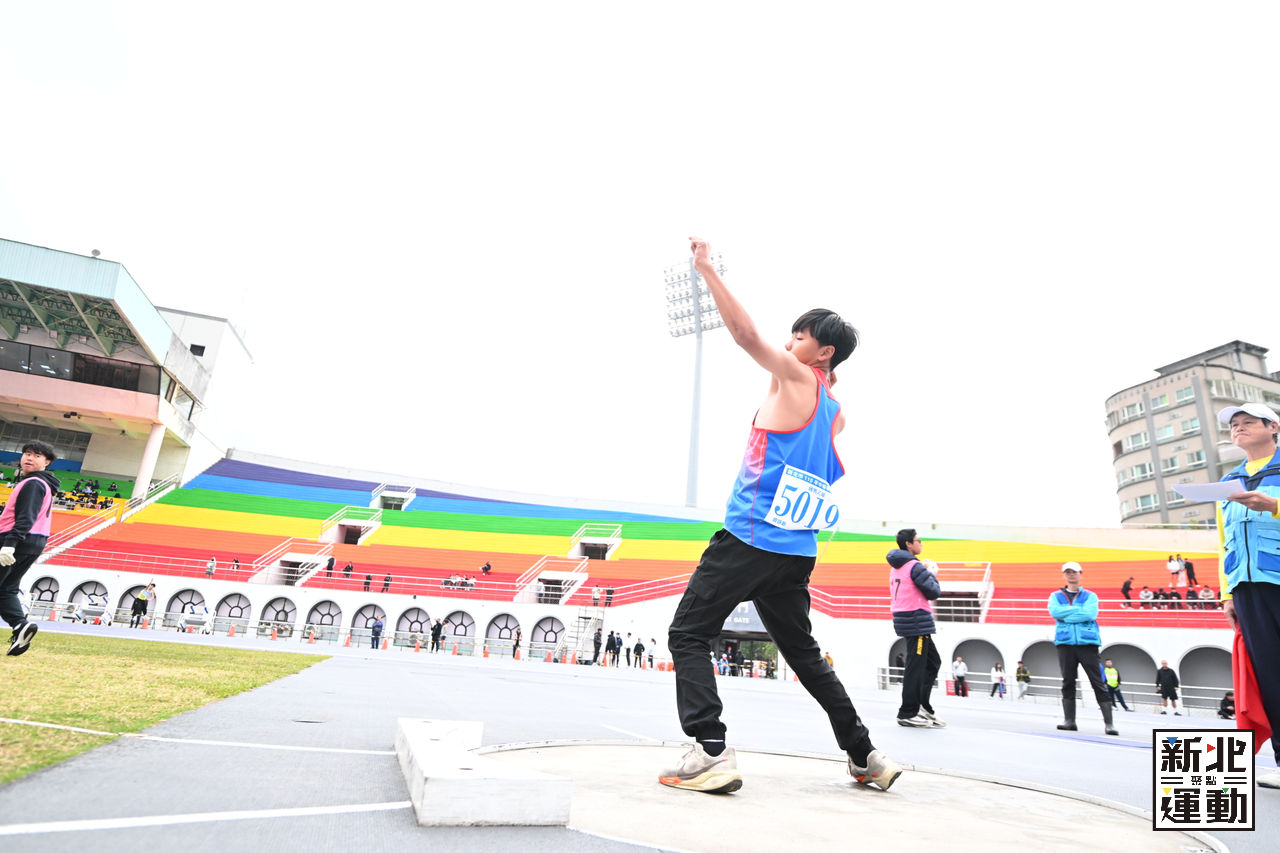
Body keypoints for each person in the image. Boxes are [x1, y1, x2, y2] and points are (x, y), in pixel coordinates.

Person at [662, 238, 900, 796]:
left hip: (749, 538)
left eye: (800, 336)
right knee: (805, 656)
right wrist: (819, 376)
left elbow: (746, 336)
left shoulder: (796, 381)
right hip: (795, 554)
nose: (788, 341)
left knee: (688, 633)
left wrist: (706, 270)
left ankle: (710, 750)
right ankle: (865, 755)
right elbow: (817, 415)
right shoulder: (835, 412)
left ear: (822, 354)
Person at [1216, 402, 1280, 788]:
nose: (1238, 428)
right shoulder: (1229, 482)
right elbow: (1223, 542)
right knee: (1269, 677)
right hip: (1247, 590)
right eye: (1233, 424)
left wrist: (1274, 506)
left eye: (1248, 422)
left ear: (1273, 427)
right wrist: (1227, 594)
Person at [1, 441, 60, 656]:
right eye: (27, 453)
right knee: (6, 588)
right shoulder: (45, 484)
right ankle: (20, 626)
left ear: (47, 462)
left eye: (36, 455)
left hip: (14, 540)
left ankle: (19, 625)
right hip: (35, 542)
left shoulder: (33, 483)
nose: (29, 458)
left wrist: (9, 545)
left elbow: (26, 517)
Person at [1049, 562, 1118, 736]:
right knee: (1068, 681)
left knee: (1097, 681)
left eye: (1074, 572)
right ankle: (1069, 721)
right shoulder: (1055, 596)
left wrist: (1067, 616)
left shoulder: (1090, 596)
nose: (1071, 574)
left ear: (1080, 573)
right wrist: (1077, 612)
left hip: (1087, 644)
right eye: (1068, 572)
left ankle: (1109, 724)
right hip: (1065, 643)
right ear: (1064, 575)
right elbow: (1055, 613)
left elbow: (1090, 614)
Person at [887, 528, 944, 728]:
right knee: (916, 666)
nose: (921, 544)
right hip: (916, 620)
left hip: (907, 618)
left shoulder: (897, 566)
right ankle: (907, 712)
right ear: (909, 544)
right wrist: (931, 574)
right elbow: (933, 592)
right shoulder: (914, 566)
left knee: (932, 662)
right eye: (918, 540)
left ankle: (922, 706)